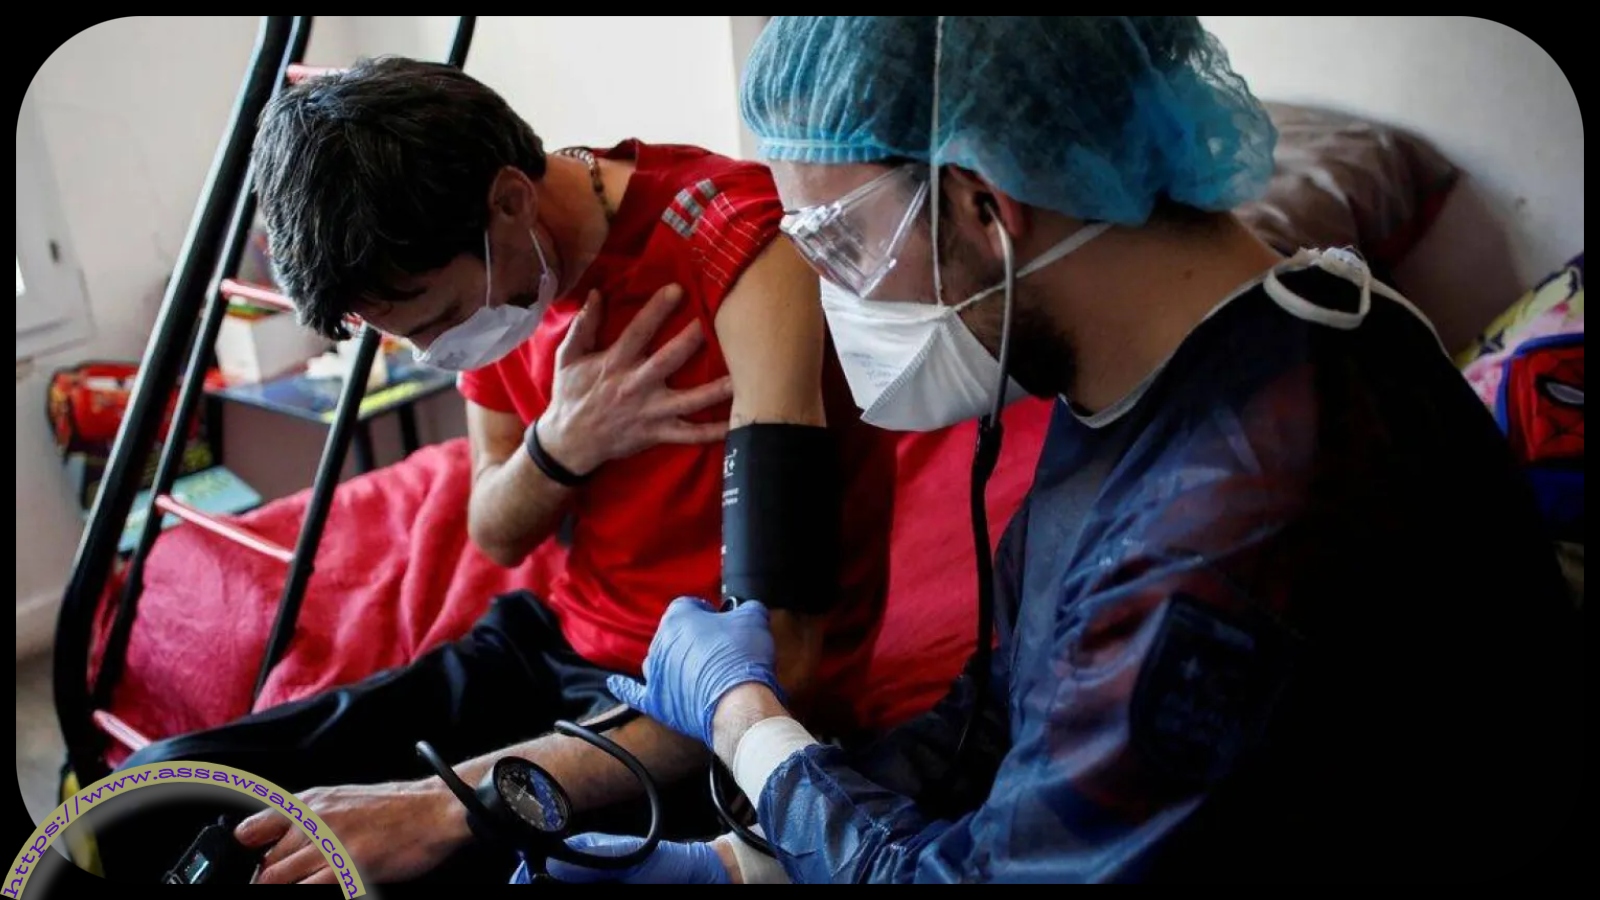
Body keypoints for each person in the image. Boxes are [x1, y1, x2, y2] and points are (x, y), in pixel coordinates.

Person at [540, 16, 1583, 884]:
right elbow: (1001, 717)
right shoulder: (1153, 362)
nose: (833, 291)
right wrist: (747, 860)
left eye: (842, 241)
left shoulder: (1238, 520)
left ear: (985, 205)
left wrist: (748, 722)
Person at [89, 55, 898, 885]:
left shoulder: (740, 248)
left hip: (710, 697)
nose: (438, 350)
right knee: (154, 796)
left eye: (441, 317)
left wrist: (447, 806)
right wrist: (561, 443)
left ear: (511, 201)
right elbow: (495, 530)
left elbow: (783, 664)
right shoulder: (494, 266)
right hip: (556, 645)